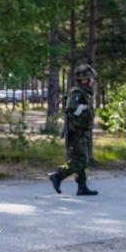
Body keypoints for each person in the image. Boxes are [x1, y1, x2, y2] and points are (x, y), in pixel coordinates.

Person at [48, 63, 98, 196]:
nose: (92, 80)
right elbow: (71, 109)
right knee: (82, 161)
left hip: (81, 131)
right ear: (85, 78)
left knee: (79, 159)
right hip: (76, 132)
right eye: (90, 78)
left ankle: (82, 187)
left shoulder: (84, 92)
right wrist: (84, 108)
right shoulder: (77, 92)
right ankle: (58, 176)